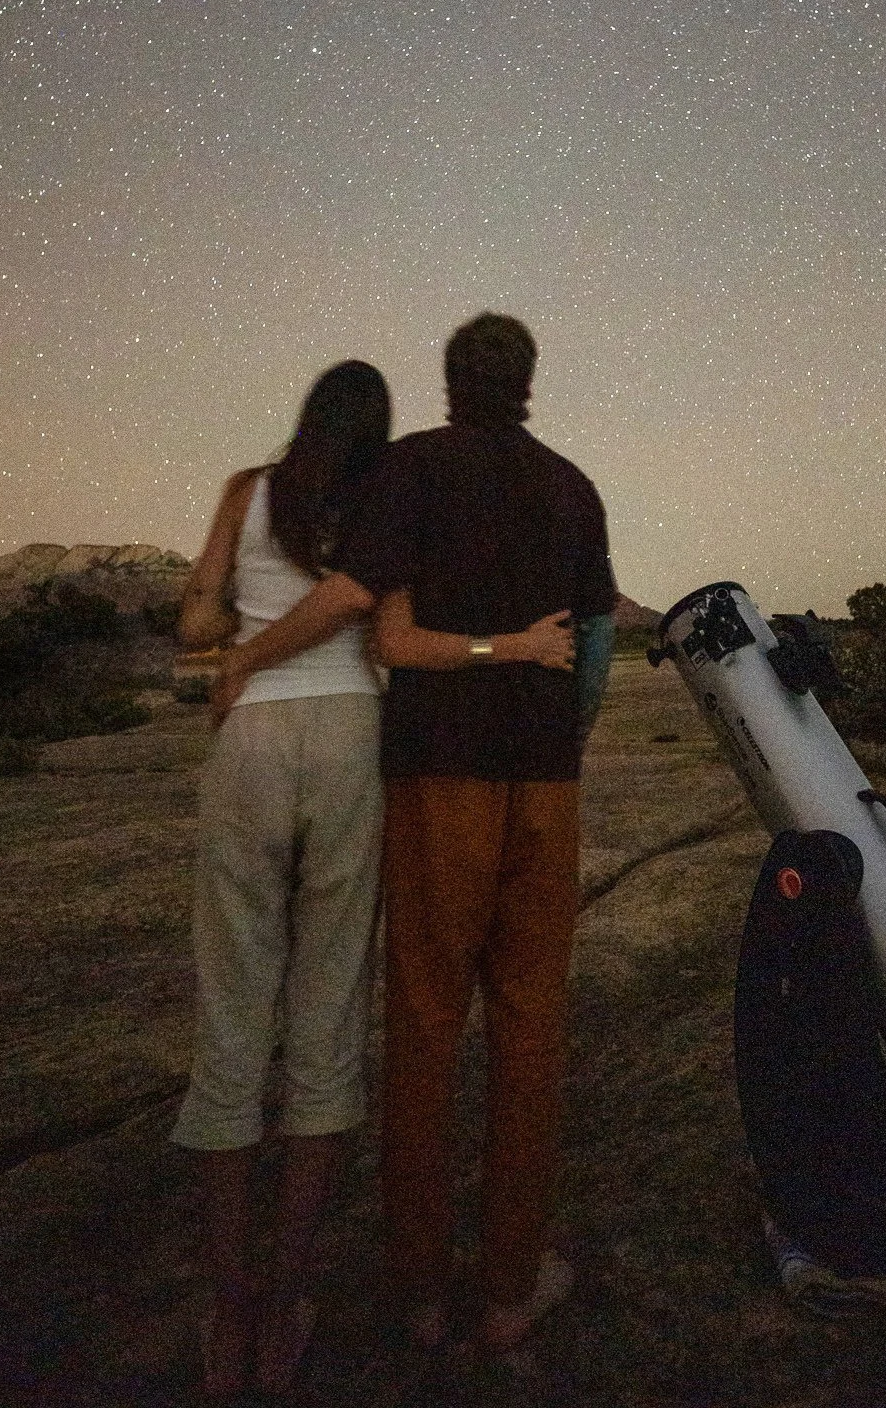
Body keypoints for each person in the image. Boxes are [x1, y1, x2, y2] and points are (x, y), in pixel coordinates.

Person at [210, 313, 618, 1354]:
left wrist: (249, 660)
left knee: (426, 1024)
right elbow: (600, 642)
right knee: (531, 1031)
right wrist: (555, 733)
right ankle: (512, 1288)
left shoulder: (412, 470)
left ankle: (424, 1292)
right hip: (545, 786)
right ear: (531, 381)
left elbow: (366, 604)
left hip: (440, 778)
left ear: (449, 380)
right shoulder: (575, 486)